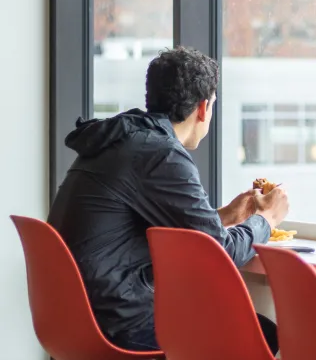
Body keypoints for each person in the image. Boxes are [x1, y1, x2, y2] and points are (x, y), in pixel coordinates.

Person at [48, 46, 289, 355]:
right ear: (203, 109)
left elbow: (140, 228)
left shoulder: (121, 139)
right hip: (118, 324)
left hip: (73, 317)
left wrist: (227, 216)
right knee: (259, 332)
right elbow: (219, 255)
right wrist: (266, 221)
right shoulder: (160, 154)